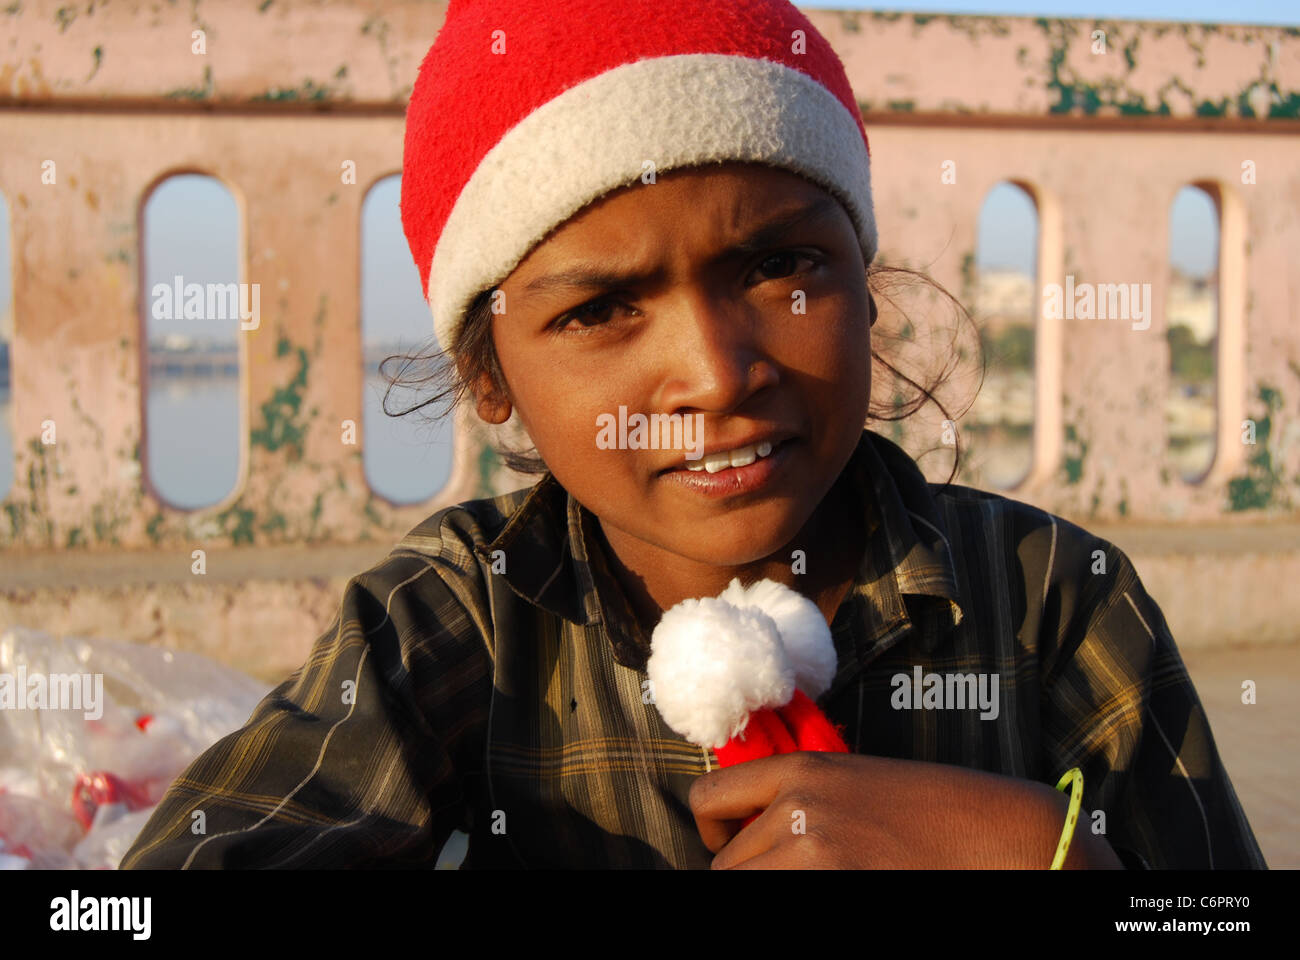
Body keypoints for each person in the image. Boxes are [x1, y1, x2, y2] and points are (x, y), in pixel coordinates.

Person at [121, 0, 1266, 870]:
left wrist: (1040, 854)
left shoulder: (1049, 600)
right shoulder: (448, 621)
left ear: (862, 281)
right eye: (601, 309)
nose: (718, 374)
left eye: (777, 267)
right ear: (490, 374)